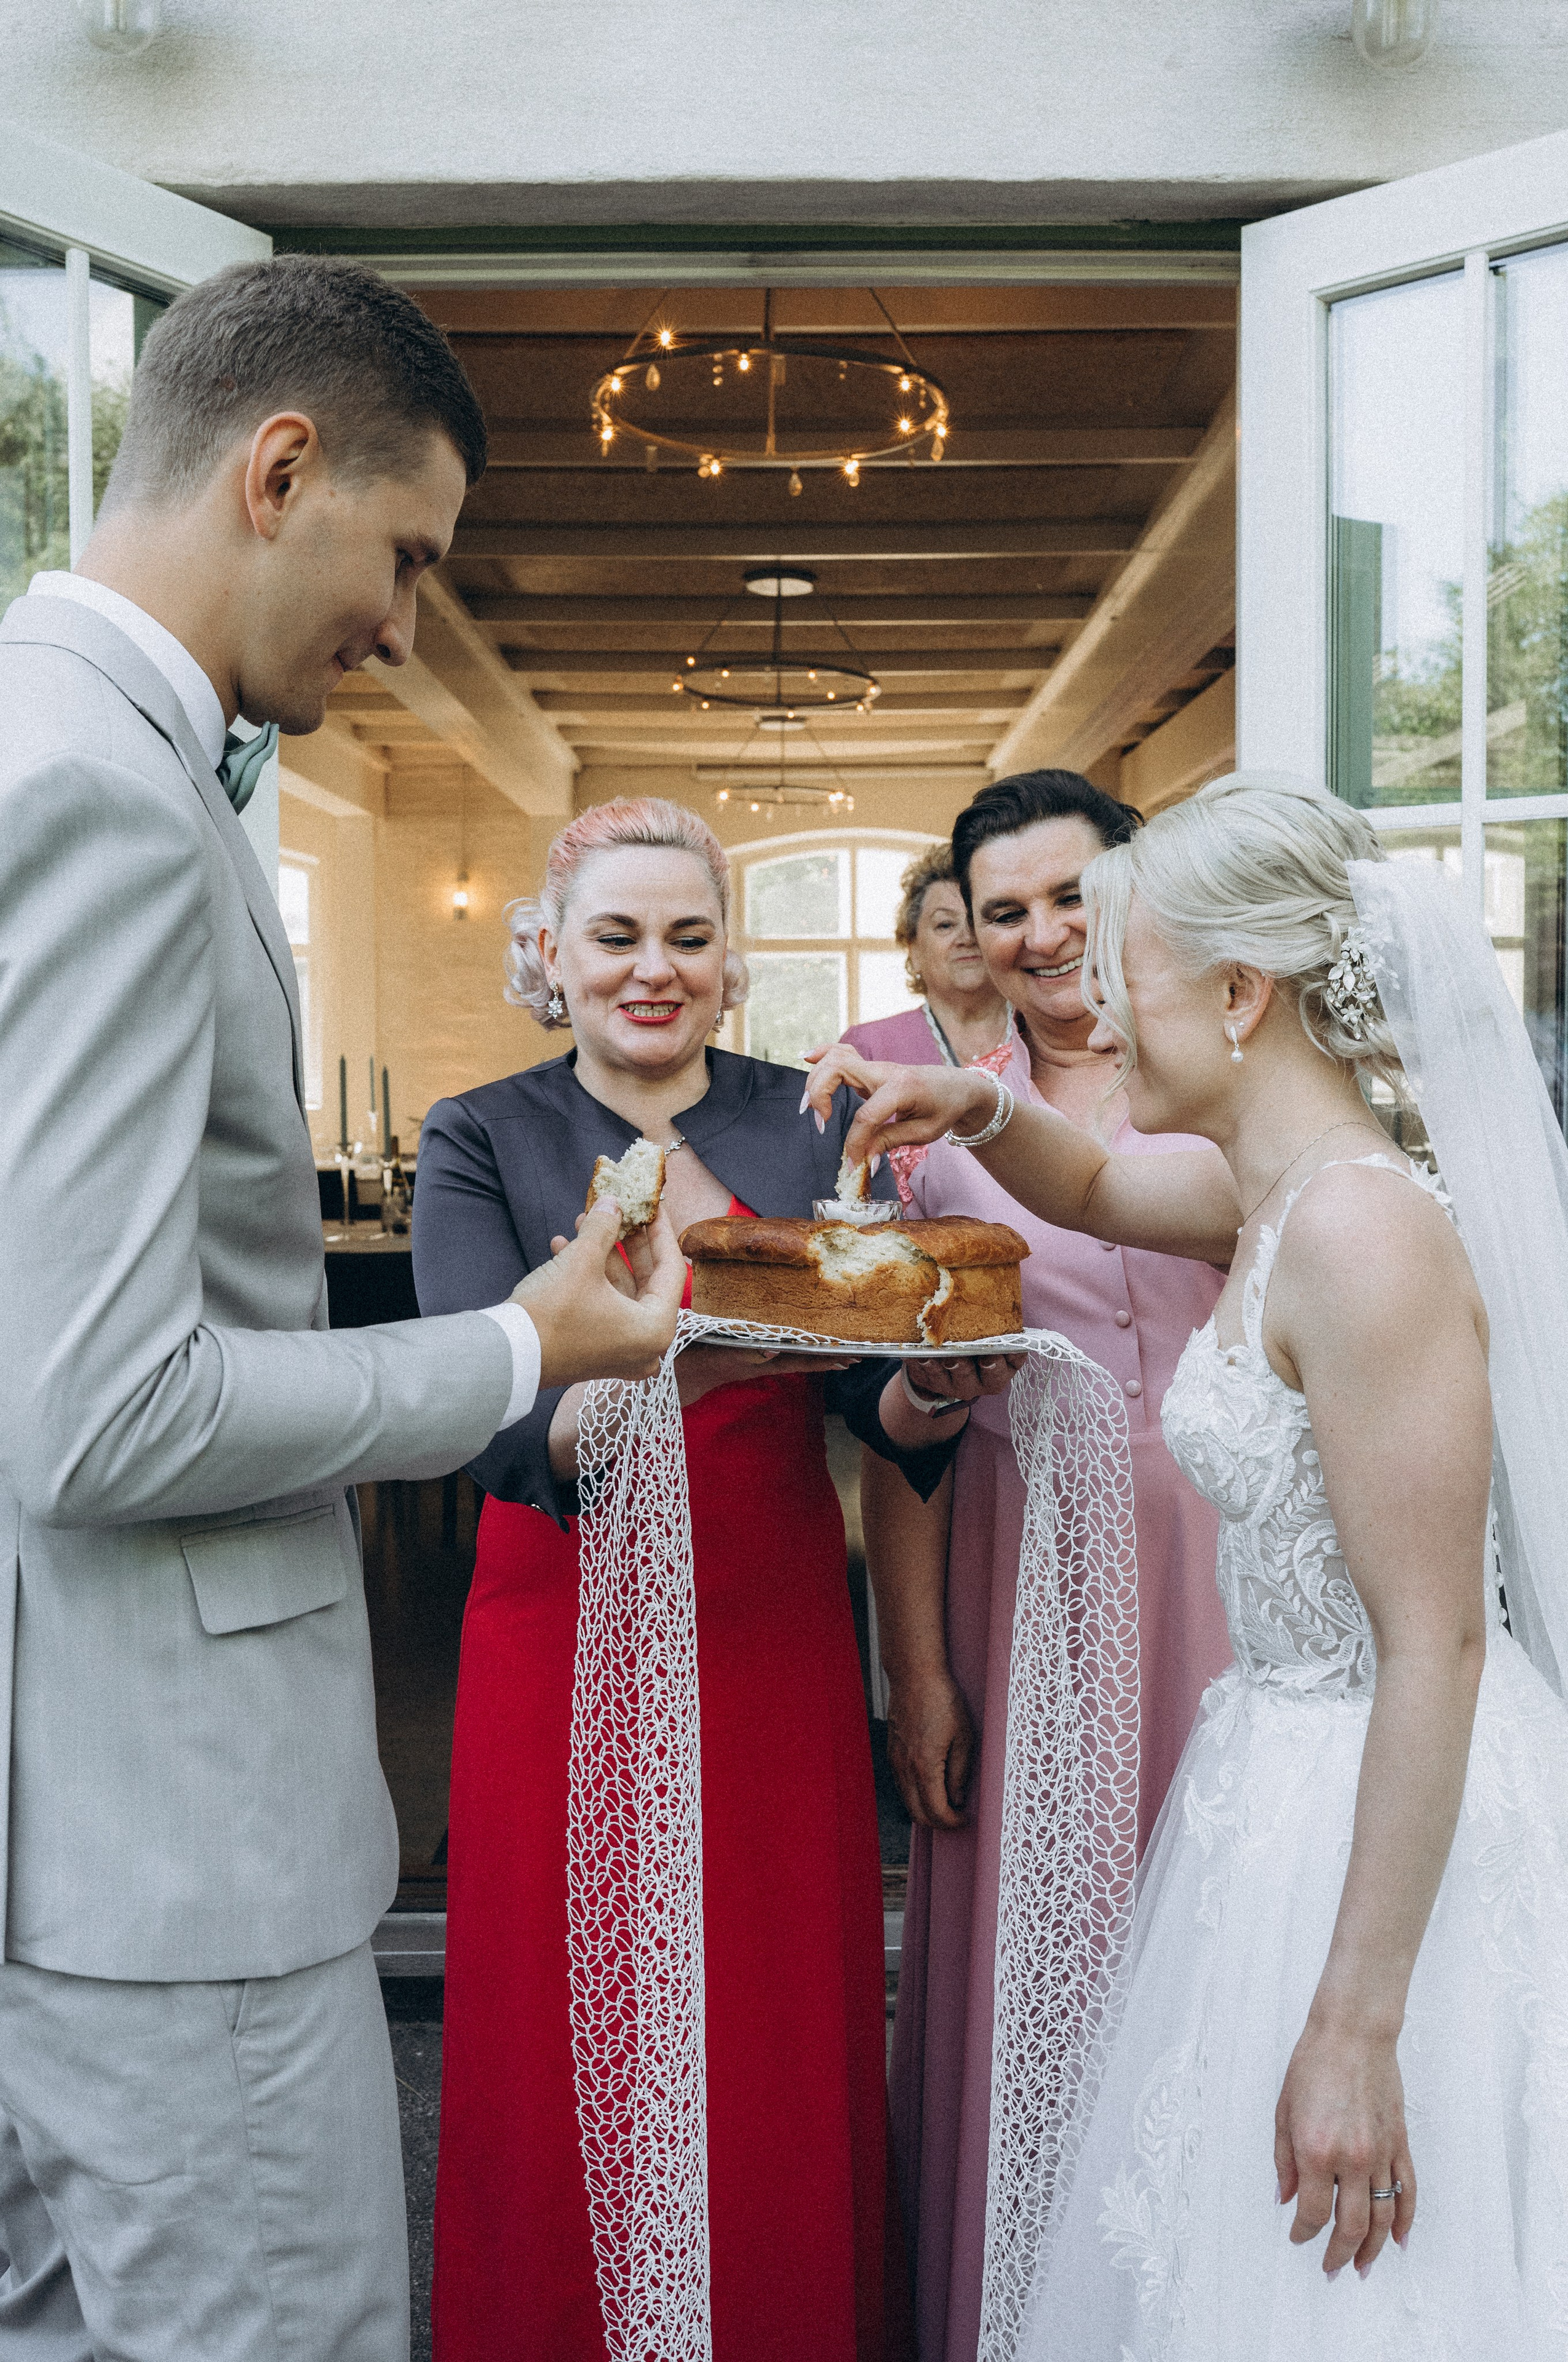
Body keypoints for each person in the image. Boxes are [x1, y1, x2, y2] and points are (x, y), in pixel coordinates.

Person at [0, 258, 683, 2362]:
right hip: (180, 1849)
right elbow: (100, 1413)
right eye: (409, 556)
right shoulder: (102, 799)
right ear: (277, 470)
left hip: (62, 1828)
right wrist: (522, 1348)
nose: (405, 623)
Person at [810, 772, 1568, 2358]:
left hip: (1378, 1796)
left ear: (1236, 994)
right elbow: (1088, 1185)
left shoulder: (1361, 1235)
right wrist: (979, 1106)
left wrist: (1358, 2020)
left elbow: (1429, 1646)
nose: (1091, 1006)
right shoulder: (1275, 1185)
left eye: (1122, 974)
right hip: (1279, 1781)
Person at [411, 796, 1011, 2362]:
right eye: (616, 936)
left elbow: (861, 1396)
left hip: (762, 1617)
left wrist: (933, 1387)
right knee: (560, 2018)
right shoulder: (478, 1134)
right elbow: (500, 1420)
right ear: (551, 951)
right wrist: (706, 1343)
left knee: (767, 2014)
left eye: (687, 937)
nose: (652, 970)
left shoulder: (802, 1120)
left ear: (732, 963)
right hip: (557, 1611)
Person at [853, 770, 1230, 2362]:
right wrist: (921, 1675)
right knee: (1036, 1972)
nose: (1041, 934)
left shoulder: (1229, 1086)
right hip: (1028, 1592)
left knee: (1225, 1931)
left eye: (1070, 896)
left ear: (1135, 893)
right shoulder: (937, 1153)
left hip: (1228, 1575)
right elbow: (895, 1428)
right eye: (1003, 911)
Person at [840, 840, 1010, 1068]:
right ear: (914, 950)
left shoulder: (1050, 1037)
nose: (968, 938)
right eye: (945, 925)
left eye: (978, 920)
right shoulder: (867, 1049)